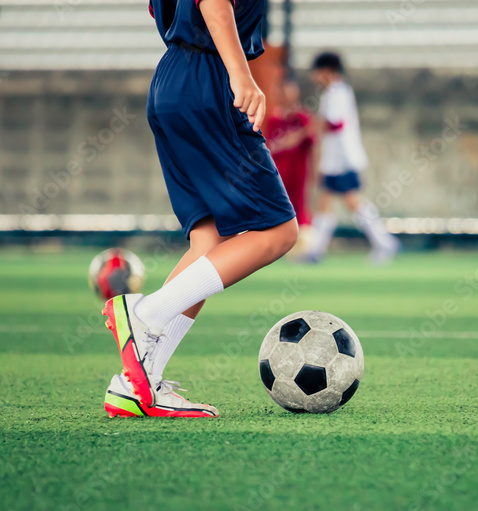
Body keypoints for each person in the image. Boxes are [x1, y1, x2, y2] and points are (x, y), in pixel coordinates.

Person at [102, 0, 299, 419]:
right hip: (209, 83)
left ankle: (138, 383)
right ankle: (144, 314)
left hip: (173, 80)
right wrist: (240, 75)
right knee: (279, 232)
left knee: (208, 241)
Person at [302, 51, 399, 264]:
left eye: (317, 72)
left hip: (342, 160)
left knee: (353, 203)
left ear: (327, 71)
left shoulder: (338, 92)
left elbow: (336, 123)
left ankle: (385, 243)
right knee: (325, 202)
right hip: (334, 160)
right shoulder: (334, 92)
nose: (314, 77)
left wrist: (313, 126)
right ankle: (316, 250)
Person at [265, 79, 315, 252]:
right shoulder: (274, 117)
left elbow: (312, 143)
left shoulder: (302, 117)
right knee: (279, 204)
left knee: (299, 205)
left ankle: (303, 247)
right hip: (279, 171)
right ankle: (278, 244)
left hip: (298, 170)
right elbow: (269, 144)